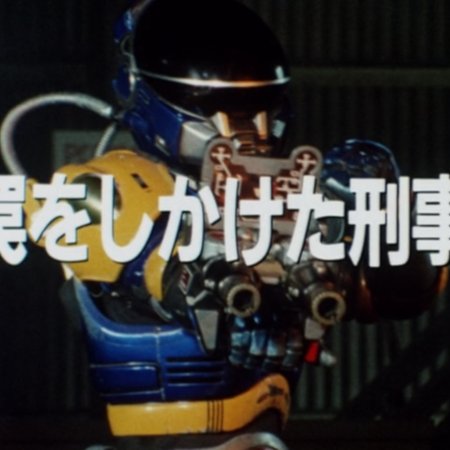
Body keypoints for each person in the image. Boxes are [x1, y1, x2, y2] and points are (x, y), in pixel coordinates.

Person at [6, 1, 445, 449]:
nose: (249, 127)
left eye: (259, 106)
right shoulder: (109, 187)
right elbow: (167, 274)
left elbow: (404, 291)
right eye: (218, 106)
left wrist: (382, 215)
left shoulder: (290, 196)